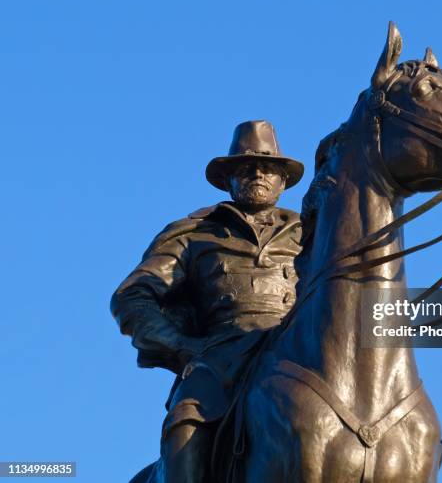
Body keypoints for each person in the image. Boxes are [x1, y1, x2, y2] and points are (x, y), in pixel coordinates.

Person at [110, 120, 304, 482]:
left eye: (268, 167)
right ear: (228, 179)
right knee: (185, 422)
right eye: (245, 167)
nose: (258, 173)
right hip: (220, 357)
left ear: (282, 180)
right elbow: (133, 296)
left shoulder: (311, 231)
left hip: (297, 353)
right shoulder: (194, 234)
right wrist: (181, 346)